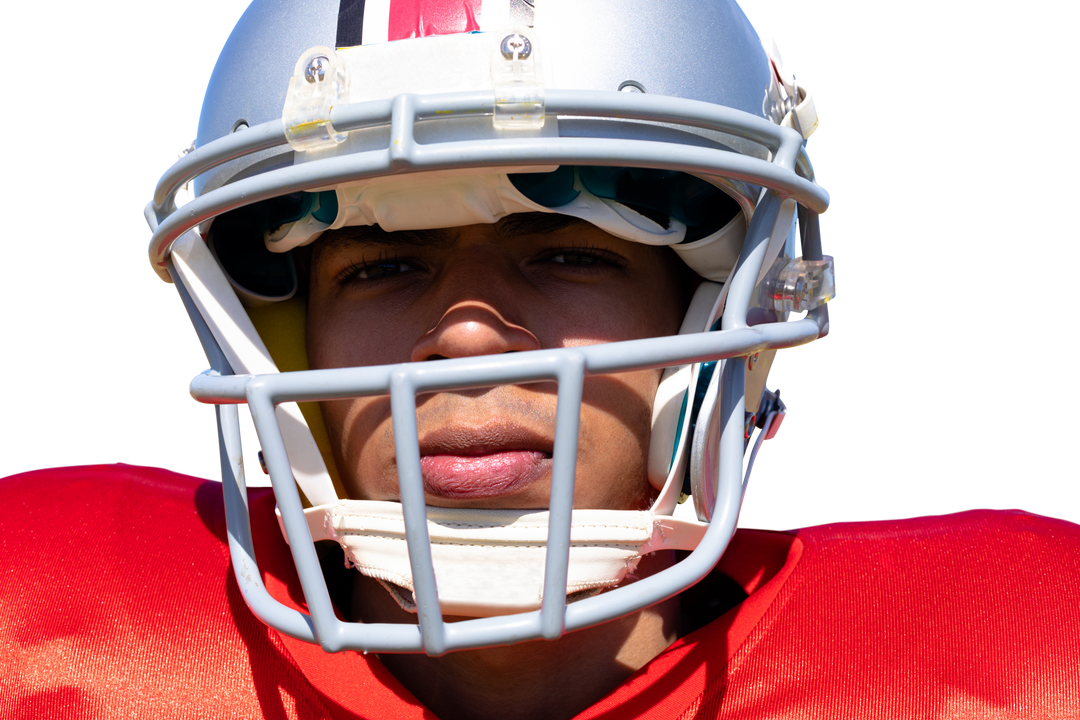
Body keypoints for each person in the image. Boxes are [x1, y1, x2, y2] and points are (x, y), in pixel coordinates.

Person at [2, 1, 1077, 718]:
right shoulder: (45, 614)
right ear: (276, 333)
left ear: (714, 315)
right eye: (377, 268)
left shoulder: (1020, 658)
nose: (467, 335)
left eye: (566, 252)